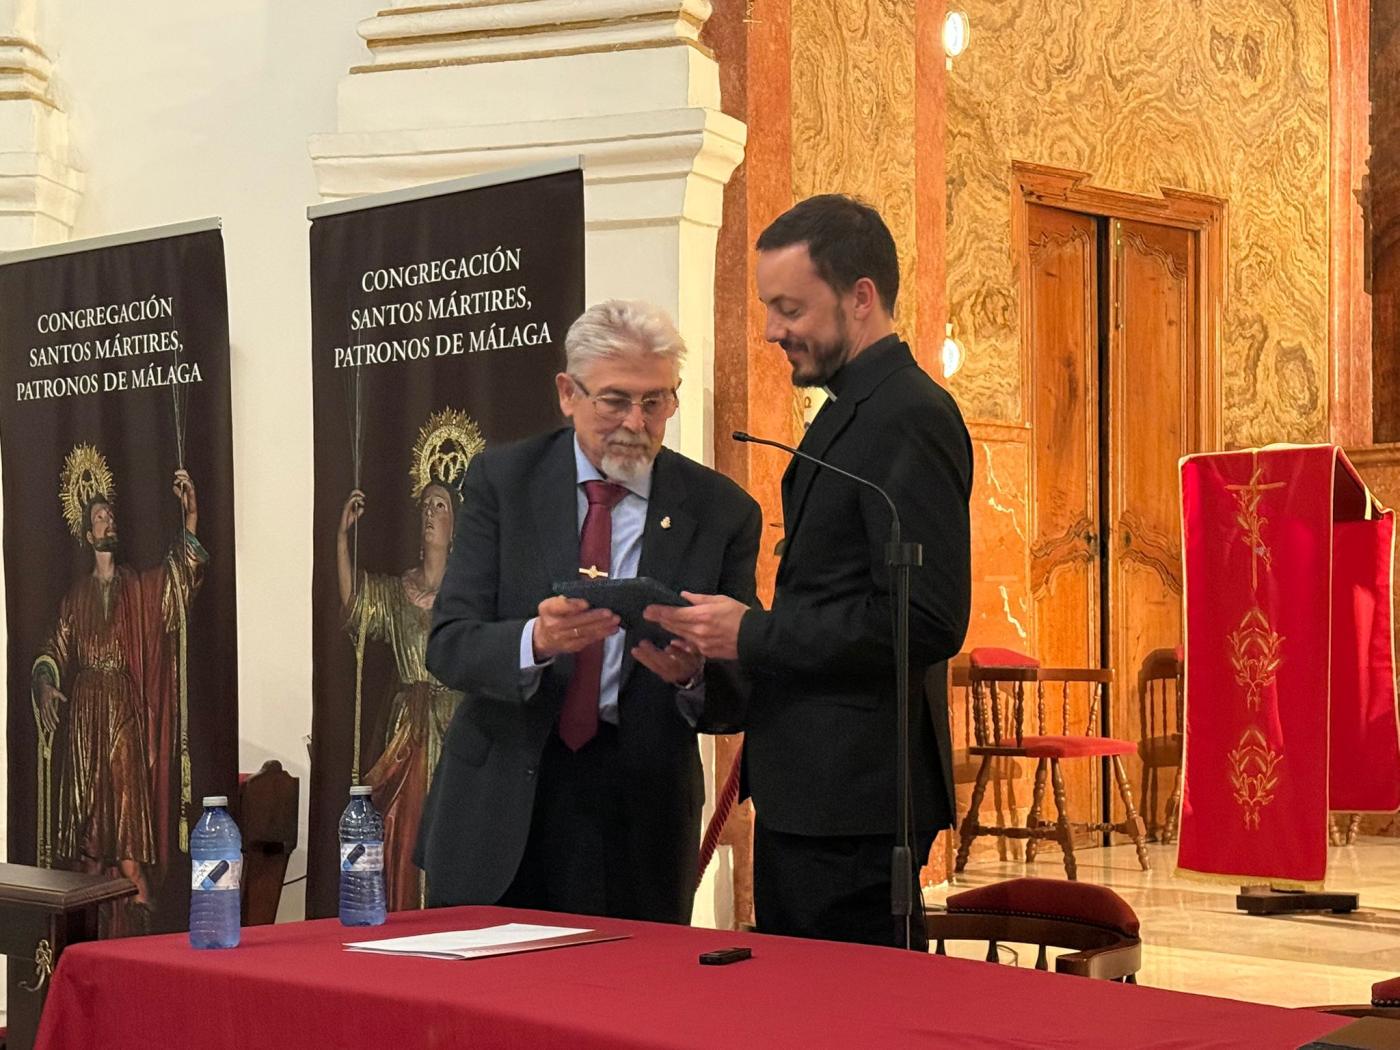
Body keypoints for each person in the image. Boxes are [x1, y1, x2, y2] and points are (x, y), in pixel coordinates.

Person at [648, 194, 972, 948]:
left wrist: (754, 635)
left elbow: (926, 618)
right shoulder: (849, 410)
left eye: (790, 307)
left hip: (858, 795)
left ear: (861, 298)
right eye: (769, 307)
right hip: (819, 789)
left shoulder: (908, 414)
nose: (772, 331)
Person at [418, 299, 761, 923]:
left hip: (640, 814)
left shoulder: (721, 512)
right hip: (504, 797)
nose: (637, 421)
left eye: (656, 401)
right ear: (567, 393)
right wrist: (535, 641)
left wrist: (692, 674)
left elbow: (739, 694)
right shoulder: (503, 481)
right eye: (615, 400)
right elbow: (449, 644)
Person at [33, 445, 207, 924]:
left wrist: (190, 517)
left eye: (111, 515)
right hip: (86, 710)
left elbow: (176, 580)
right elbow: (53, 650)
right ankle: (92, 896)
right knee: (90, 804)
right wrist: (46, 684)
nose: (108, 522)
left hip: (123, 703)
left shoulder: (136, 585)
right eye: (100, 517)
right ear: (88, 532)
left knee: (129, 792)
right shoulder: (75, 597)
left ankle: (137, 887)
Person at [336, 409, 481, 910]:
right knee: (400, 826)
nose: (429, 514)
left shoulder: (468, 593)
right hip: (406, 726)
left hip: (454, 718)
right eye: (424, 505)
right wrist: (341, 539)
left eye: (439, 505)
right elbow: (357, 607)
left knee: (451, 825)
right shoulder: (399, 589)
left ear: (455, 522)